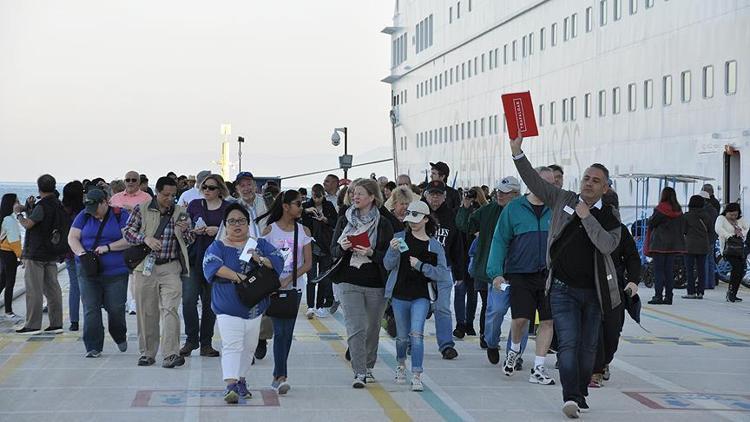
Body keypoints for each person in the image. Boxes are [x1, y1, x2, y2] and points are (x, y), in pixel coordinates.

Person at [509, 136, 623, 418]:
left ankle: (580, 389)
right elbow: (535, 183)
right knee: (569, 344)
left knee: (588, 349)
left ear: (605, 188)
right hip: (562, 289)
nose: (588, 183)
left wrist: (587, 217)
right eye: (586, 177)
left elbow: (608, 245)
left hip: (594, 292)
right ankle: (570, 396)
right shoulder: (563, 199)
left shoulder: (609, 215)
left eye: (596, 180)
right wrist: (517, 152)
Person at [203, 203, 284, 404]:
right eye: (232, 221)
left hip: (255, 306)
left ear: (248, 223)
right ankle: (230, 385)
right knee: (232, 345)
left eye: (241, 220)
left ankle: (241, 380)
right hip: (227, 305)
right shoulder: (218, 246)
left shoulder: (259, 244)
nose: (237, 224)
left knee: (248, 347)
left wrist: (261, 259)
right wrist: (239, 277)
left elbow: (279, 261)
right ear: (225, 225)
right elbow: (212, 266)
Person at [487, 167, 556, 385]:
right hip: (520, 273)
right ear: (531, 181)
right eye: (544, 182)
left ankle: (538, 368)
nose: (549, 187)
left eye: (553, 183)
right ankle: (514, 350)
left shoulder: (557, 209)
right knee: (520, 320)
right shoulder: (514, 209)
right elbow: (499, 241)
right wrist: (496, 273)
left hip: (548, 275)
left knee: (547, 321)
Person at [123, 176, 195, 368]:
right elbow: (128, 232)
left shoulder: (181, 212)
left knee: (170, 309)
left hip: (171, 267)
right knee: (147, 312)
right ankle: (147, 353)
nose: (170, 198)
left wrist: (187, 230)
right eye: (166, 195)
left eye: (173, 195)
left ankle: (171, 353)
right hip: (145, 267)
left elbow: (189, 240)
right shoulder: (142, 209)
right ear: (157, 192)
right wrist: (144, 238)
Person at [330, 179, 394, 388]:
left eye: (360, 194)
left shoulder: (384, 223)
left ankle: (368, 366)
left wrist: (371, 253)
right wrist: (343, 247)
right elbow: (333, 251)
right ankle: (359, 372)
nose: (354, 197)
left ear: (372, 197)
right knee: (355, 327)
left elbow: (391, 257)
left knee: (372, 328)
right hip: (349, 280)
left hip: (376, 282)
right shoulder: (344, 220)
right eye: (353, 193)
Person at [384, 201, 451, 392]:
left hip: (421, 296)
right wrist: (393, 250)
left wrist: (421, 265)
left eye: (417, 219)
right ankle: (400, 364)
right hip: (399, 294)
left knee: (417, 335)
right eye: (410, 219)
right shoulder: (399, 238)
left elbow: (442, 274)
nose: (412, 223)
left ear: (426, 219)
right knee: (402, 338)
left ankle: (417, 374)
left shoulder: (434, 246)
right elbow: (387, 265)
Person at [260, 190, 313, 394]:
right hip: (273, 288)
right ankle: (279, 376)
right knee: (279, 331)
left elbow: (308, 263)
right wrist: (275, 280)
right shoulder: (269, 231)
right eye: (298, 204)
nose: (301, 207)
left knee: (287, 333)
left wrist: (288, 280)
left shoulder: (303, 231)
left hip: (294, 288)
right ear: (285, 206)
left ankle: (279, 375)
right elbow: (259, 256)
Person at [67, 189, 131, 357]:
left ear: (105, 202)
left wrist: (108, 247)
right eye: (90, 209)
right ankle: (93, 346)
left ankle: (118, 333)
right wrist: (82, 253)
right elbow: (72, 237)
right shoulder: (84, 215)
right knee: (91, 308)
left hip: (116, 271)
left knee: (116, 308)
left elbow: (129, 240)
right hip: (88, 270)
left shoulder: (120, 215)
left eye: (96, 208)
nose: (93, 213)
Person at [469, 177, 522, 353]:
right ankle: (491, 342)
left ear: (516, 194)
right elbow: (466, 224)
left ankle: (514, 355)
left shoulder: (525, 212)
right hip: (500, 272)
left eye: (504, 192)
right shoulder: (490, 211)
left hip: (523, 272)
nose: (499, 194)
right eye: (498, 191)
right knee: (496, 311)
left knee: (521, 316)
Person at [180, 174, 231, 358]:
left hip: (217, 262)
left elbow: (236, 231)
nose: (207, 191)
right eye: (204, 187)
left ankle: (206, 343)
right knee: (188, 300)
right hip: (195, 259)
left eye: (211, 187)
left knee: (210, 303)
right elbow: (184, 226)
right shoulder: (194, 205)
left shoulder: (228, 208)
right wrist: (191, 229)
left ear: (220, 190)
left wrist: (219, 230)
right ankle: (191, 340)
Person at [590, 220, 640, 388]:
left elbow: (632, 256)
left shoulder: (619, 230)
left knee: (613, 331)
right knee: (593, 329)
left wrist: (633, 280)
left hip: (614, 288)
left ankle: (605, 361)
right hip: (588, 286)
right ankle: (594, 371)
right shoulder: (582, 225)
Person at [14, 174, 66, 335]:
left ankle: (32, 324)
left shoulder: (42, 205)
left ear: (39, 187)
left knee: (34, 290)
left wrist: (19, 214)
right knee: (53, 289)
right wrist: (30, 208)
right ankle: (56, 323)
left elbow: (30, 225)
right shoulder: (58, 204)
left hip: (36, 253)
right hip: (52, 251)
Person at [231, 171, 273, 359]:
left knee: (264, 297)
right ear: (237, 189)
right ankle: (246, 343)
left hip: (264, 254)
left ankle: (261, 338)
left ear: (255, 185)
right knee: (243, 298)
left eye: (249, 184)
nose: (246, 188)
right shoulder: (233, 207)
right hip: (243, 254)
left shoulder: (267, 202)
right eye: (242, 185)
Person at [423, 180, 462, 359]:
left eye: (439, 194)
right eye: (432, 193)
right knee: (418, 307)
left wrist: (459, 272)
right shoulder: (419, 213)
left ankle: (446, 345)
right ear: (426, 195)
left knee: (443, 308)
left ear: (445, 196)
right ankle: (410, 342)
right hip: (420, 269)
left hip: (442, 269)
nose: (435, 197)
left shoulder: (452, 216)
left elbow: (457, 245)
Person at [454, 187, 486, 339]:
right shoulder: (463, 210)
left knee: (472, 292)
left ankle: (470, 324)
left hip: (475, 257)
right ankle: (462, 324)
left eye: (473, 195)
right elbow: (460, 225)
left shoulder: (484, 210)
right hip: (462, 255)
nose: (471, 198)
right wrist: (464, 206)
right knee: (462, 290)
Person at [301, 184, 337, 318]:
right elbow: (296, 215)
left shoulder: (328, 207)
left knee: (323, 278)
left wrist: (325, 219)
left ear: (323, 195)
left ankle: (320, 305)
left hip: (326, 246)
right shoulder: (306, 206)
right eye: (315, 196)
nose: (317, 200)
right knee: (311, 278)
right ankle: (310, 306)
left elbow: (336, 222)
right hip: (310, 245)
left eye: (319, 196)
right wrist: (306, 211)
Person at [646, 187, 686, 305]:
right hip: (674, 245)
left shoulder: (660, 209)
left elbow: (652, 223)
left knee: (659, 271)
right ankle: (669, 297)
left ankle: (658, 296)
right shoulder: (678, 210)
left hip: (659, 245)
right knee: (669, 271)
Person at [62, 181, 84, 332]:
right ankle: (91, 318)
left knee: (74, 287)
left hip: (69, 252)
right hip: (85, 252)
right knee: (89, 287)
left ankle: (74, 321)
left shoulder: (63, 211)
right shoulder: (85, 212)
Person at [715, 203, 748, 302]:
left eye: (736, 214)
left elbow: (747, 228)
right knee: (736, 269)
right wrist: (729, 236)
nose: (734, 217)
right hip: (728, 249)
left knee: (740, 271)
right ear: (727, 212)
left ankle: (733, 293)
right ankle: (731, 293)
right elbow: (718, 229)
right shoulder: (721, 219)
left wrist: (741, 233)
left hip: (740, 249)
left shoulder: (741, 220)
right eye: (731, 214)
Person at [682, 195, 711, 299]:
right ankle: (700, 292)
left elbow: (684, 230)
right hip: (703, 245)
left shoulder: (687, 216)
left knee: (689, 270)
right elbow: (711, 230)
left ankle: (691, 292)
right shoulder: (707, 216)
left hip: (690, 246)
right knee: (701, 269)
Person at [0, 194, 22, 319]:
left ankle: (8, 310)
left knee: (3, 281)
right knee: (10, 282)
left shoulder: (4, 217)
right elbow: (14, 242)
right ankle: (8, 311)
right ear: (11, 204)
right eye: (17, 202)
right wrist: (21, 256)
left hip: (3, 252)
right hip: (9, 254)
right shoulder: (9, 219)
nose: (19, 204)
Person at [699, 190, 719, 289]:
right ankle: (711, 283)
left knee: (705, 261)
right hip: (713, 237)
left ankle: (705, 283)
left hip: (704, 238)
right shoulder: (714, 210)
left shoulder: (703, 210)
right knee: (711, 261)